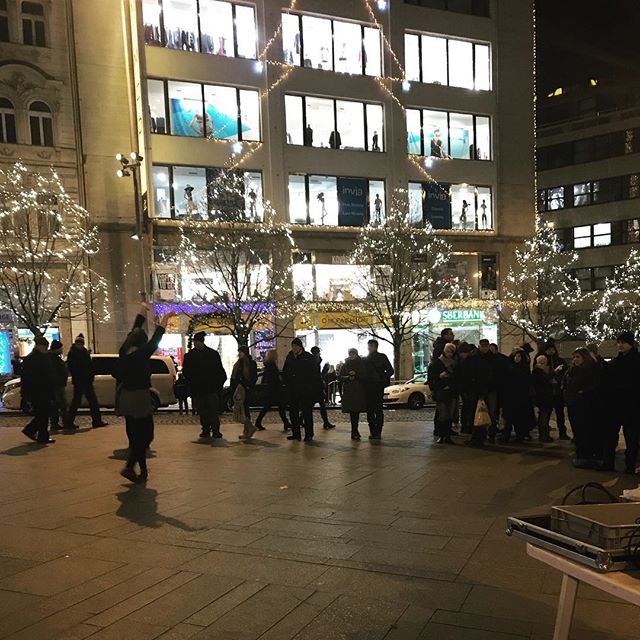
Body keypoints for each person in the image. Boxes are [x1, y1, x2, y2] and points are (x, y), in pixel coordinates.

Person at [116, 305, 174, 483]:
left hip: (125, 396)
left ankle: (141, 469)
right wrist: (165, 319)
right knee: (146, 435)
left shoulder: (123, 353)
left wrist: (141, 311)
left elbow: (136, 328)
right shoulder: (141, 355)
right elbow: (157, 338)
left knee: (134, 435)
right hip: (139, 397)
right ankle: (129, 466)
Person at [602, 331, 640, 474]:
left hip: (632, 405)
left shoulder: (636, 360)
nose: (620, 345)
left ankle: (630, 465)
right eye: (618, 342)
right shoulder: (616, 361)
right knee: (611, 435)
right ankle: (608, 462)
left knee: (631, 437)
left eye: (623, 342)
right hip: (615, 405)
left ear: (630, 343)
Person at [182, 331, 227, 438]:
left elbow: (186, 372)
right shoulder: (212, 354)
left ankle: (210, 430)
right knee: (207, 411)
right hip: (206, 388)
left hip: (205, 388)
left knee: (209, 410)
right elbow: (220, 372)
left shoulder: (191, 356)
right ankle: (210, 430)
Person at [564, 347, 600, 469]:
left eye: (578, 357)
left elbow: (594, 386)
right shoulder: (572, 370)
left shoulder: (590, 370)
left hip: (584, 405)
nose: (575, 359)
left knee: (584, 430)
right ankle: (581, 454)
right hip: (573, 404)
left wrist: (582, 392)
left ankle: (586, 455)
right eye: (574, 357)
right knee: (577, 431)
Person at [282, 338, 320, 442]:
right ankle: (296, 434)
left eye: (296, 346)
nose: (294, 348)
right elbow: (285, 371)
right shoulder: (290, 357)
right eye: (293, 346)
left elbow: (313, 373)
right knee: (293, 412)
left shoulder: (308, 357)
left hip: (305, 390)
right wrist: (287, 382)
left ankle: (309, 434)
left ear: (300, 347)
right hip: (293, 389)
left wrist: (310, 387)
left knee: (307, 412)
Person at [67, 334, 107, 429]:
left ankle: (96, 420)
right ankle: (95, 421)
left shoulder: (79, 352)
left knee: (88, 401)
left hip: (84, 380)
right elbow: (76, 367)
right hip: (81, 380)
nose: (80, 345)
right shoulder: (75, 353)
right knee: (81, 401)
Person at [21, 336, 55, 444]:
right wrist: (26, 394)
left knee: (44, 413)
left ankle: (38, 434)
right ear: (40, 346)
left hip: (43, 390)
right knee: (42, 414)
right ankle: (38, 434)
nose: (46, 349)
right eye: (45, 347)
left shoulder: (41, 357)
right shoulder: (32, 359)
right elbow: (27, 378)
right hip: (38, 390)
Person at [500, 348, 534, 443]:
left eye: (519, 356)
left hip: (520, 397)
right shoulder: (510, 367)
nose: (517, 358)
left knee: (518, 418)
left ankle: (519, 436)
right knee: (509, 418)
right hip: (510, 397)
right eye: (516, 356)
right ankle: (507, 435)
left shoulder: (523, 368)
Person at [255, 349, 291, 432]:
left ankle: (286, 423)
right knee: (278, 406)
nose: (277, 356)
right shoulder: (272, 365)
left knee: (276, 407)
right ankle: (286, 423)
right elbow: (273, 377)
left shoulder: (269, 364)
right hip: (274, 389)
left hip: (273, 389)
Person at [428, 342, 458, 444]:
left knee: (449, 414)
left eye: (452, 351)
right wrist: (440, 377)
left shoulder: (455, 363)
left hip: (451, 391)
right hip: (441, 391)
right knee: (443, 414)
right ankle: (441, 435)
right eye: (448, 351)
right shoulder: (437, 363)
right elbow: (432, 378)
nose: (450, 353)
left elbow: (458, 377)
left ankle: (447, 435)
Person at [365, 339, 394, 440]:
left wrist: (380, 378)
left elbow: (390, 370)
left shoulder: (367, 359)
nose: (369, 348)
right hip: (377, 387)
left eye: (370, 346)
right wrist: (383, 378)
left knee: (372, 410)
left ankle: (374, 431)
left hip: (371, 387)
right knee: (377, 410)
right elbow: (390, 370)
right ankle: (377, 431)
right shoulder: (381, 357)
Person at [541, 341, 569, 440]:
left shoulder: (560, 360)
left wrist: (558, 380)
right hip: (548, 392)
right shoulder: (544, 361)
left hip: (558, 391)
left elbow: (566, 373)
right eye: (548, 349)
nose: (551, 351)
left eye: (552, 349)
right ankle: (545, 434)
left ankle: (562, 432)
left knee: (560, 413)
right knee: (547, 414)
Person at [340, 348, 368, 441]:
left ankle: (355, 430)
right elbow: (340, 377)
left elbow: (364, 376)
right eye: (350, 354)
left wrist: (356, 375)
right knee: (353, 412)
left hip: (358, 390)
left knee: (356, 411)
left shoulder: (361, 364)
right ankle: (354, 431)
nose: (351, 356)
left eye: (353, 354)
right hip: (349, 391)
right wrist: (348, 378)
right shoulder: (346, 364)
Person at [231, 346, 258, 440]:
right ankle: (247, 431)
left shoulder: (251, 364)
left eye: (241, 352)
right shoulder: (238, 364)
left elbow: (254, 377)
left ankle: (249, 429)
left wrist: (247, 385)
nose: (239, 354)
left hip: (247, 390)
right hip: (239, 390)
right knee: (243, 410)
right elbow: (234, 378)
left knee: (244, 410)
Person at [310, 346, 336, 430]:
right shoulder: (315, 361)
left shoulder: (314, 360)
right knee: (317, 405)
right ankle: (326, 422)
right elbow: (317, 375)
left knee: (318, 405)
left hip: (315, 386)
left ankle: (326, 422)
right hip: (316, 387)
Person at [532, 354, 555, 443]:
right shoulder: (538, 371)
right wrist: (554, 372)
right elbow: (545, 380)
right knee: (544, 416)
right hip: (543, 396)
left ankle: (544, 434)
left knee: (544, 415)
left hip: (543, 396)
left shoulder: (537, 371)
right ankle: (544, 435)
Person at [48, 339, 69, 431]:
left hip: (58, 384)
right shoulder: (53, 358)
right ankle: (60, 423)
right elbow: (56, 372)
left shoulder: (54, 357)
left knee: (58, 405)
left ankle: (58, 423)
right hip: (57, 385)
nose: (62, 350)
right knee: (60, 405)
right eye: (60, 348)